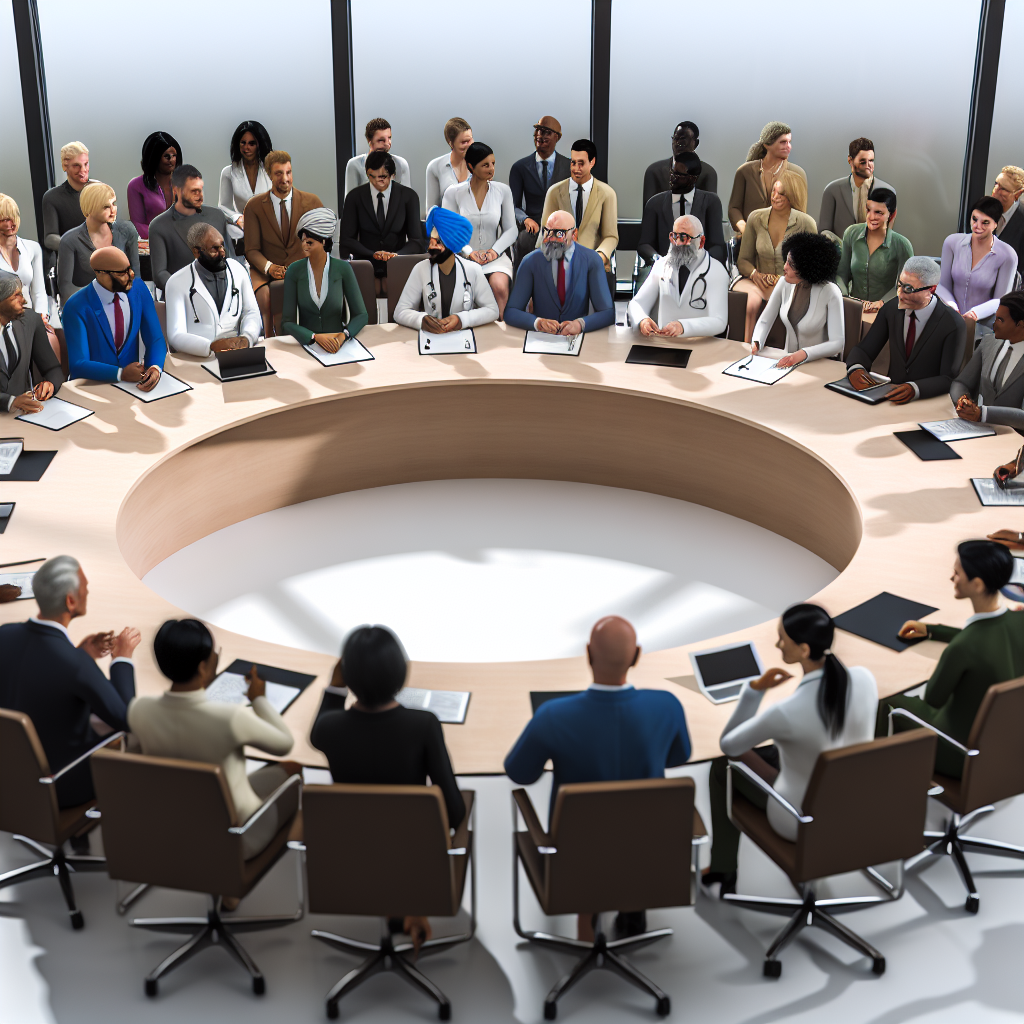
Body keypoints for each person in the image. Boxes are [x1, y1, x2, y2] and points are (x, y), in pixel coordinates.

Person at [504, 616, 690, 940]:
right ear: (637, 656)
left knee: (590, 842)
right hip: (648, 854)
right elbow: (678, 756)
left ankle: (586, 920)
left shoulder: (553, 715)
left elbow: (520, 772)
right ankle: (632, 905)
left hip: (577, 863)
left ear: (588, 654)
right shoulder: (668, 706)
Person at [703, 604, 878, 895]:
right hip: (853, 804)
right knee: (779, 751)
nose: (777, 644)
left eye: (783, 638)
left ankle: (723, 867)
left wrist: (755, 690)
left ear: (804, 650)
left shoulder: (786, 711)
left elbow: (729, 743)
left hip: (798, 816)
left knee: (723, 764)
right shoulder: (864, 679)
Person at [311, 624, 466, 948]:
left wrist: (335, 687)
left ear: (347, 675)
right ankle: (409, 906)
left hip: (349, 854)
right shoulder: (423, 725)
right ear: (402, 671)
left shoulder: (329, 728)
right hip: (413, 858)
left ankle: (398, 908)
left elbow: (318, 728)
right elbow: (453, 813)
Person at [129, 620, 301, 860]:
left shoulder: (139, 710)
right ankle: (232, 886)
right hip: (238, 833)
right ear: (203, 667)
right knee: (293, 771)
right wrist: (259, 699)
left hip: (174, 829)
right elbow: (284, 744)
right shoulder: (230, 717)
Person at [0, 555, 140, 808]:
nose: (88, 590)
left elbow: (38, 675)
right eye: (84, 587)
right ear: (71, 600)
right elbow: (126, 719)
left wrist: (83, 652)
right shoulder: (75, 664)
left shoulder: (4, 634)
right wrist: (122, 659)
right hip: (57, 787)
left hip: (7, 776)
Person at [879, 541, 1023, 777]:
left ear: (977, 584)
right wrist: (933, 631)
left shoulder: (963, 647)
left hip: (960, 753)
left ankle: (880, 782)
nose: (951, 578)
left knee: (888, 701)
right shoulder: (1019, 621)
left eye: (957, 573)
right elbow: (986, 640)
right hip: (1006, 747)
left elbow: (933, 699)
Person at [846, 257, 965, 404]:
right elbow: (865, 349)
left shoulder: (953, 324)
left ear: (931, 290)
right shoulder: (890, 309)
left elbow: (949, 378)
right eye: (899, 286)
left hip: (929, 403)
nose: (900, 295)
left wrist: (915, 389)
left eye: (909, 289)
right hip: (891, 399)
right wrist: (856, 368)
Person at [243, 150, 323, 336]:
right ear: (269, 174)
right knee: (266, 296)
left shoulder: (312, 202)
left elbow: (322, 242)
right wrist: (269, 267)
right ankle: (270, 339)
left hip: (303, 266)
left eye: (288, 172)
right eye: (279, 173)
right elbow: (251, 250)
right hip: (267, 269)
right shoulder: (253, 207)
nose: (285, 179)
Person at [62, 247, 165, 390]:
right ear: (101, 273)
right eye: (123, 273)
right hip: (91, 388)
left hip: (132, 387)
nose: (131, 275)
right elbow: (78, 364)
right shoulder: (76, 306)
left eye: (130, 269)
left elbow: (155, 338)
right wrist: (120, 374)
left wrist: (155, 367)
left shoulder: (139, 289)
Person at [732, 171, 816, 343]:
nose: (775, 197)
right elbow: (743, 260)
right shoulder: (756, 218)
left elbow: (813, 266)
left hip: (792, 284)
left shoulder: (806, 223)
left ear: (792, 195)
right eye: (773, 192)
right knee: (752, 301)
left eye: (782, 193)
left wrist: (788, 278)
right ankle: (746, 348)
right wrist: (755, 274)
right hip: (758, 282)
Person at [504, 211, 615, 336]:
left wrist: (580, 324)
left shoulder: (592, 260)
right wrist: (537, 323)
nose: (551, 238)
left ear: (574, 234)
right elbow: (511, 312)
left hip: (576, 340)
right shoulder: (530, 261)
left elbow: (608, 313)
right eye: (547, 231)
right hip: (541, 339)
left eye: (559, 233)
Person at [441, 142, 517, 318]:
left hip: (495, 257)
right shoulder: (453, 193)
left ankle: (500, 329)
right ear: (470, 167)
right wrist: (469, 253)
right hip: (462, 257)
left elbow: (511, 230)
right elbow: (448, 231)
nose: (491, 169)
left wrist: (493, 252)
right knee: (464, 295)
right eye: (485, 165)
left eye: (493, 164)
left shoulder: (503, 191)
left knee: (499, 286)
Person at [393, 206, 499, 331]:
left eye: (438, 242)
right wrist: (421, 320)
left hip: (463, 338)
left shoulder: (473, 270)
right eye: (430, 242)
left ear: (452, 243)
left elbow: (492, 310)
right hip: (431, 339)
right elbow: (400, 312)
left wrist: (462, 320)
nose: (431, 248)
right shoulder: (420, 269)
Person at [163, 223, 261, 357]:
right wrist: (209, 347)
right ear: (196, 252)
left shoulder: (238, 270)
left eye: (222, 245)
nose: (222, 252)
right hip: (197, 357)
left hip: (238, 353)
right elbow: (175, 334)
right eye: (214, 249)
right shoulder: (176, 282)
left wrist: (247, 337)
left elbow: (251, 312)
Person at [751, 231, 843, 366]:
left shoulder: (830, 292)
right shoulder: (783, 283)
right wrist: (757, 342)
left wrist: (804, 354)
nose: (784, 267)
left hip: (820, 366)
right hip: (787, 363)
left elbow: (838, 343)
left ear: (808, 267)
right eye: (786, 261)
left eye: (791, 265)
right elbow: (765, 320)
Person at [628, 215, 729, 339]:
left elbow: (720, 321)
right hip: (664, 344)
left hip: (702, 345)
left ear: (701, 242)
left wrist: (683, 327)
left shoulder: (716, 270)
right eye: (674, 236)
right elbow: (637, 303)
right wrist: (642, 320)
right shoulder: (662, 265)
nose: (678, 243)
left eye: (684, 238)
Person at [282, 208, 368, 350]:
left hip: (339, 343)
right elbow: (287, 322)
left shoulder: (343, 268)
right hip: (308, 346)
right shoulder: (294, 271)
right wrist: (312, 337)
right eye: (302, 241)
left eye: (309, 242)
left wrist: (344, 335)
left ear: (323, 242)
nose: (304, 246)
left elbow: (361, 314)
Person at [339, 151, 424, 297]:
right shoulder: (354, 197)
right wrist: (373, 254)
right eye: (373, 176)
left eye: (383, 177)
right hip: (365, 264)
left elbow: (417, 241)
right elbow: (347, 241)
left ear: (392, 175)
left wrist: (396, 255)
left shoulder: (408, 197)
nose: (378, 181)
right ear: (367, 173)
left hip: (397, 265)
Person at [148, 164, 237, 293]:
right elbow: (160, 274)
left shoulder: (217, 216)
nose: (200, 195)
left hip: (223, 291)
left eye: (201, 189)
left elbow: (230, 259)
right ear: (176, 190)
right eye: (194, 191)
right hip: (183, 296)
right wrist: (187, 291)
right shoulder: (159, 225)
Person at [540, 139, 619, 278]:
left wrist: (598, 257)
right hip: (559, 263)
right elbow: (544, 232)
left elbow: (610, 236)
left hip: (593, 264)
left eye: (581, 163)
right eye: (573, 162)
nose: (576, 168)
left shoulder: (607, 194)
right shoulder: (554, 192)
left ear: (592, 162)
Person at [938, 197, 1018, 329]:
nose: (977, 226)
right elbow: (942, 285)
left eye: (985, 222)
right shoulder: (952, 242)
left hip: (984, 326)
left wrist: (975, 314)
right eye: (974, 219)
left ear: (996, 224)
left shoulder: (1008, 255)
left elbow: (1001, 299)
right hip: (950, 318)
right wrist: (953, 308)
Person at [637, 153, 726, 268]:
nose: (672, 177)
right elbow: (644, 244)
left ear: (693, 178)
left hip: (701, 270)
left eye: (679, 175)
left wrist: (704, 264)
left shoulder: (711, 202)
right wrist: (657, 259)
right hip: (664, 269)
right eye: (672, 172)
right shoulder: (654, 203)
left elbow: (717, 245)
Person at [951, 291, 1024, 431]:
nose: (993, 324)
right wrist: (962, 400)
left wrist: (982, 414)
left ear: (1020, 325)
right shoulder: (989, 342)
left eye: (1000, 320)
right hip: (977, 431)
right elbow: (961, 382)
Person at [56, 182, 140, 303]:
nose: (113, 210)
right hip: (87, 306)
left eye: (114, 203)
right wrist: (103, 296)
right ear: (90, 208)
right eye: (106, 207)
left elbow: (136, 276)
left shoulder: (127, 230)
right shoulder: (69, 240)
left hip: (124, 302)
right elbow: (66, 289)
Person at [836, 188, 913, 314]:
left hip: (886, 313)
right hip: (852, 309)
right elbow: (841, 273)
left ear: (892, 214)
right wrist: (845, 297)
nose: (871, 217)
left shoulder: (902, 245)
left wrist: (882, 302)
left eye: (879, 212)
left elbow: (905, 286)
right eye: (868, 210)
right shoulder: (851, 234)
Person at [509, 116, 571, 268]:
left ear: (557, 137)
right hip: (534, 224)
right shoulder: (520, 167)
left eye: (546, 132)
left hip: (562, 226)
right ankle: (521, 286)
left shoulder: (569, 166)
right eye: (537, 130)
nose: (539, 135)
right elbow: (513, 205)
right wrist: (525, 219)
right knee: (523, 241)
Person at [729, 122, 807, 239]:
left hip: (784, 241)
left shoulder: (797, 173)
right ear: (767, 144)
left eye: (789, 142)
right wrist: (745, 229)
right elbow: (734, 208)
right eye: (782, 142)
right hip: (749, 241)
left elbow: (801, 213)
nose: (788, 146)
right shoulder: (745, 171)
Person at [0, 272, 63, 414]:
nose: (24, 301)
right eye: (15, 297)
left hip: (25, 416)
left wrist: (50, 384)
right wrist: (10, 402)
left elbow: (53, 369)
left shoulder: (30, 320)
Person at [818, 138, 895, 243]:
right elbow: (823, 231)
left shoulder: (888, 191)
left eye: (871, 161)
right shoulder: (832, 190)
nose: (869, 166)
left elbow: (888, 233)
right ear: (850, 161)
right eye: (863, 162)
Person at [218, 120, 274, 255]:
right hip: (242, 231)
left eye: (252, 143)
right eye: (243, 143)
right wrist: (237, 218)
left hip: (270, 228)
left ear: (259, 144)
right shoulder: (228, 172)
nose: (246, 148)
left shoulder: (271, 169)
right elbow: (222, 206)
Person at [642, 120, 718, 207]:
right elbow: (648, 213)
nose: (678, 143)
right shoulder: (654, 171)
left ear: (696, 143)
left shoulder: (708, 173)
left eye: (682, 139)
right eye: (675, 138)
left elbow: (710, 209)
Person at [126, 131, 181, 241]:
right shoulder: (136, 185)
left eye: (174, 156)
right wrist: (166, 235)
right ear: (154, 158)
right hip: (152, 244)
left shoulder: (184, 182)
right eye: (166, 156)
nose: (171, 160)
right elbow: (137, 225)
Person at [41, 142, 91, 258]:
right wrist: (75, 248)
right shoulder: (52, 197)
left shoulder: (98, 190)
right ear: (65, 166)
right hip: (72, 261)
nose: (83, 170)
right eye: (76, 165)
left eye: (86, 164)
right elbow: (50, 237)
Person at [343, 117, 412, 198]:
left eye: (389, 138)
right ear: (370, 141)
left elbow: (407, 199)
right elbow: (350, 202)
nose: (387, 144)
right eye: (381, 140)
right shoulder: (355, 165)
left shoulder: (400, 164)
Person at [0, 194, 46, 313]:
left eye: (14, 216)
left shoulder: (32, 248)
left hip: (29, 319)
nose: (11, 223)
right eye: (5, 219)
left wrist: (43, 320)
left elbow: (39, 292)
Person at [425, 117, 473, 212]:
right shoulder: (435, 167)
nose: (469, 145)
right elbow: (432, 210)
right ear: (451, 143)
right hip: (447, 225)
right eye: (464, 142)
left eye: (470, 140)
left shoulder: (481, 163)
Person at [992, 165, 1024, 266]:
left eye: (1003, 188)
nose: (995, 190)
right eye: (996, 184)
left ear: (1017, 194)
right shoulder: (985, 210)